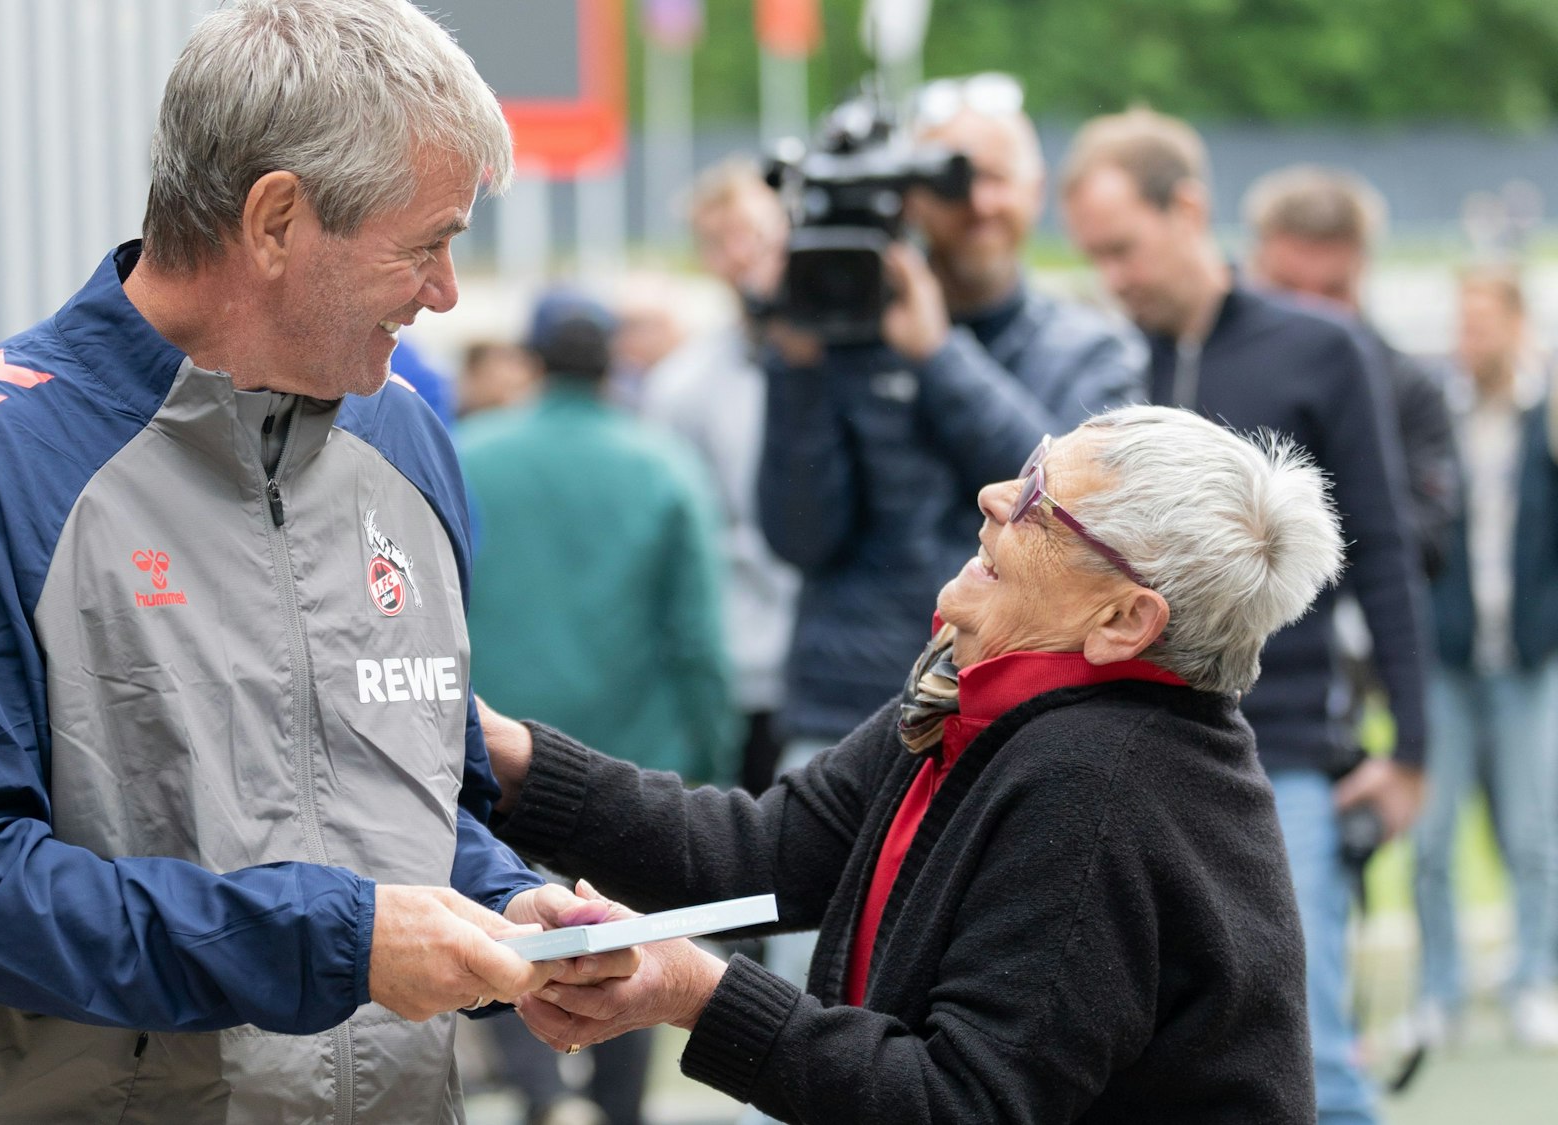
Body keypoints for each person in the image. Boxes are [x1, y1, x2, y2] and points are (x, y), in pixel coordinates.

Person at [0, 3, 632, 1121]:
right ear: (275, 221)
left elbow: (420, 808)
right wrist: (334, 943)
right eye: (424, 244)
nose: (446, 291)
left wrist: (508, 908)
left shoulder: (407, 444)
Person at [480, 405, 1335, 1123]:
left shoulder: (1098, 785)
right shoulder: (983, 698)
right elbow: (759, 853)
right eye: (1033, 467)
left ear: (1123, 620)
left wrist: (699, 994)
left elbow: (958, 1101)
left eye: (1040, 505)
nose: (995, 496)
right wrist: (507, 755)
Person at [1060, 109, 1430, 1125]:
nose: (1111, 277)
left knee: (1312, 1058)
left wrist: (1411, 747)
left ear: (1187, 208)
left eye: (1123, 248)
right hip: (1119, 751)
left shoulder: (1320, 348)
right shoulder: (1100, 363)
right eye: (1093, 256)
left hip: (1282, 753)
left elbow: (1383, 552)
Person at [757, 72, 1144, 774]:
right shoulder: (839, 339)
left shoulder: (1093, 350)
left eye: (995, 178)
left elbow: (1071, 518)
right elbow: (799, 535)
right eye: (954, 182)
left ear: (1036, 189)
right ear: (906, 194)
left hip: (1019, 716)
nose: (979, 204)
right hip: (848, 715)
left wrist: (939, 357)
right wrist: (799, 371)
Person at [459, 292, 735, 1125]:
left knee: (500, 924)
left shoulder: (468, 456)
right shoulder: (663, 466)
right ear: (614, 362)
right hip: (630, 760)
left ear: (532, 359)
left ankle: (541, 1097)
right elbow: (699, 639)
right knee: (621, 941)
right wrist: (711, 760)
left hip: (496, 751)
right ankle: (614, 1109)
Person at [1411, 267, 1558, 1049]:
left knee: (1534, 833)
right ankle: (1440, 991)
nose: (1470, 338)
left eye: (1483, 322)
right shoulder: (1440, 416)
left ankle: (1533, 977)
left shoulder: (1544, 418)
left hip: (1528, 661)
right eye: (1462, 323)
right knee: (1431, 839)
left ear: (1516, 324)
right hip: (1451, 661)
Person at [641, 160, 801, 795]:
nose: (740, 254)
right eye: (719, 239)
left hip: (840, 665)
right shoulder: (681, 385)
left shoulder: (861, 363)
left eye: (754, 231)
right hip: (740, 664)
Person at [1244, 165, 1460, 579]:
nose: (1309, 316)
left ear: (1363, 271)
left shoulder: (1410, 391)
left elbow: (1427, 546)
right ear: (1255, 267)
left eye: (1332, 291)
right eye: (1287, 290)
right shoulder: (1207, 366)